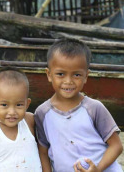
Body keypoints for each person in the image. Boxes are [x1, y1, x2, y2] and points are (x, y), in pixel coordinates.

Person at [35, 39, 123, 172]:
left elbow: (116, 146)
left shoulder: (94, 108)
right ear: (49, 74)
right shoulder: (42, 113)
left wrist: (98, 169)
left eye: (77, 75)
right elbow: (43, 151)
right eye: (60, 74)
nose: (68, 81)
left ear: (86, 76)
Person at [0, 68, 42, 172]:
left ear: (27, 104)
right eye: (4, 105)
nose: (12, 111)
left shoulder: (29, 121)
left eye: (19, 105)